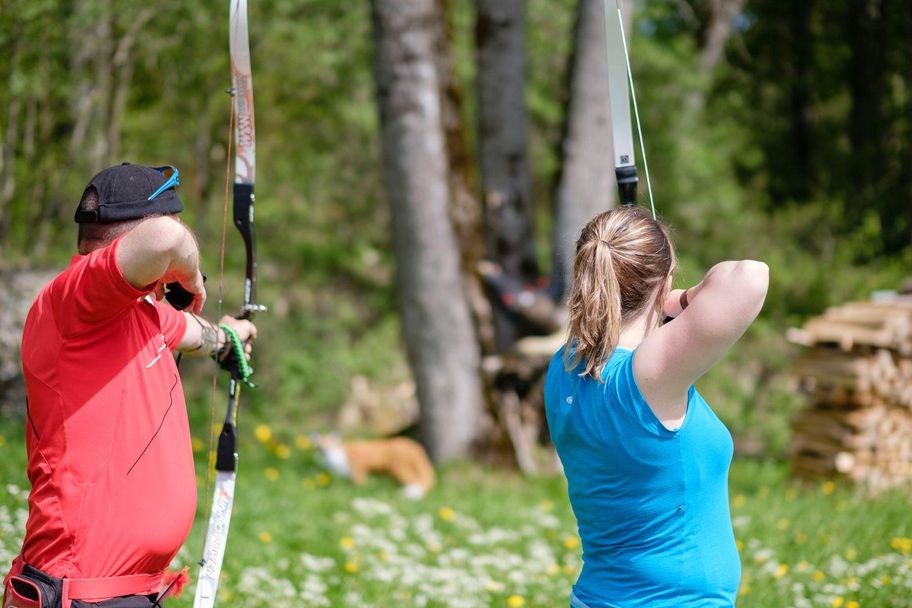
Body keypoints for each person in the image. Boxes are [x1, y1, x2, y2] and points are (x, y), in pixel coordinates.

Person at [2, 163, 257, 608]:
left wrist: (229, 337)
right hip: (77, 594)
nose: (181, 232)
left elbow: (197, 334)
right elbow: (165, 239)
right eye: (177, 221)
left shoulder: (144, 313)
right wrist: (191, 278)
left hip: (128, 592)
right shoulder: (72, 301)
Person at [544, 206, 769, 608]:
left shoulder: (563, 366)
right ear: (660, 285)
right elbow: (749, 276)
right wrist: (677, 299)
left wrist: (656, 295)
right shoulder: (644, 377)